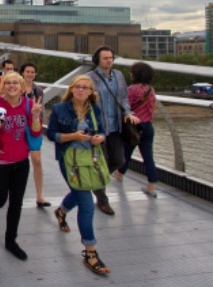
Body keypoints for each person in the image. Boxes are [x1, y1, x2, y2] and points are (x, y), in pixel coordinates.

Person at [46, 75, 111, 275]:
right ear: (71, 89)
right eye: (77, 87)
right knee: (86, 201)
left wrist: (100, 137)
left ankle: (61, 211)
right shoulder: (59, 109)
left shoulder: (95, 110)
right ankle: (91, 252)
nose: (81, 90)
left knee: (79, 192)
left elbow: (102, 131)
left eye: (85, 88)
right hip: (69, 160)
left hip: (89, 159)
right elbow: (51, 135)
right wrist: (73, 136)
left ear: (91, 92)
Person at [0, 71, 43, 261]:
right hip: (0, 162)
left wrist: (37, 117)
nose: (11, 86)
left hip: (21, 161)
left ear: (22, 87)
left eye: (15, 83)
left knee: (16, 203)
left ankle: (10, 240)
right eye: (8, 83)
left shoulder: (30, 105)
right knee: (0, 199)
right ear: (3, 87)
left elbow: (36, 133)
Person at [86, 46, 140, 216]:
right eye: (105, 58)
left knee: (118, 160)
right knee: (102, 161)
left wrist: (128, 113)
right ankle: (103, 200)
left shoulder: (118, 76)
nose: (109, 61)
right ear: (97, 60)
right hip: (99, 127)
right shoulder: (90, 78)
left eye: (111, 58)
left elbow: (123, 97)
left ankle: (96, 183)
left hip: (116, 125)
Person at [114, 62, 159, 197]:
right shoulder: (151, 90)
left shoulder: (132, 89)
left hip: (134, 126)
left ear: (135, 74)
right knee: (148, 157)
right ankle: (151, 185)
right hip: (148, 126)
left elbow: (124, 106)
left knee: (126, 152)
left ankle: (120, 174)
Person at [19, 62, 49, 207]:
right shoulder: (16, 88)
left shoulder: (39, 91)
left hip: (33, 125)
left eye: (32, 72)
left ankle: (39, 195)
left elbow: (40, 109)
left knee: (37, 160)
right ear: (22, 73)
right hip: (18, 126)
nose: (30, 74)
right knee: (18, 161)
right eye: (27, 71)